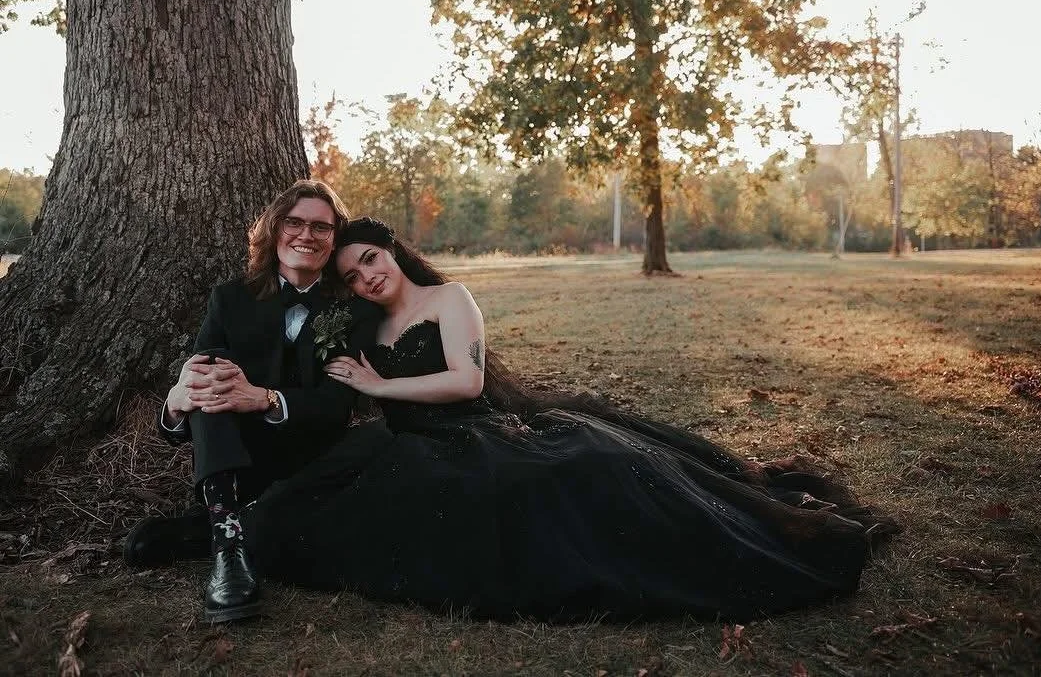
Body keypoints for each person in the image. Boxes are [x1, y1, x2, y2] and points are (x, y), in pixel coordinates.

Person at [242, 217, 899, 622]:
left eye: (370, 261)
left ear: (392, 251)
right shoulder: (363, 324)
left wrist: (382, 381)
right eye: (352, 277)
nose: (365, 279)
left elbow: (468, 379)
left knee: (588, 473)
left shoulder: (449, 298)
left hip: (477, 430)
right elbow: (317, 370)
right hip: (414, 446)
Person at [123, 182, 390, 624]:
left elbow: (335, 405)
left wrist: (264, 398)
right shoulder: (229, 299)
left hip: (313, 459)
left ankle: (214, 530)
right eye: (295, 222)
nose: (307, 235)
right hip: (238, 459)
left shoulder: (354, 311)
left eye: (322, 227)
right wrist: (173, 404)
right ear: (275, 228)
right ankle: (229, 549)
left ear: (333, 239)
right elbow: (199, 389)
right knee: (214, 365)